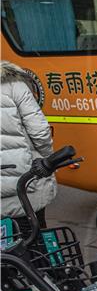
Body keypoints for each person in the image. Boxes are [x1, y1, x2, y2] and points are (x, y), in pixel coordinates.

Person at [1, 61, 55, 234]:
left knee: (7, 245)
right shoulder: (14, 85)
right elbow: (40, 132)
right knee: (36, 239)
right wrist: (46, 160)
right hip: (25, 180)